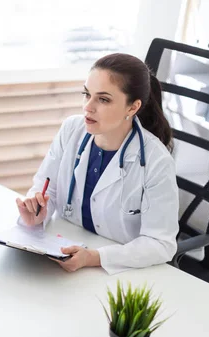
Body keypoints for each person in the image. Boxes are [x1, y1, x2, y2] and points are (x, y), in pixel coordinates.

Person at [18, 52, 179, 276]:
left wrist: (95, 257)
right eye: (86, 94)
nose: (88, 107)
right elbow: (47, 188)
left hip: (122, 273)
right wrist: (37, 214)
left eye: (103, 99)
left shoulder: (156, 161)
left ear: (133, 108)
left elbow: (161, 243)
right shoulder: (71, 130)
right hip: (63, 255)